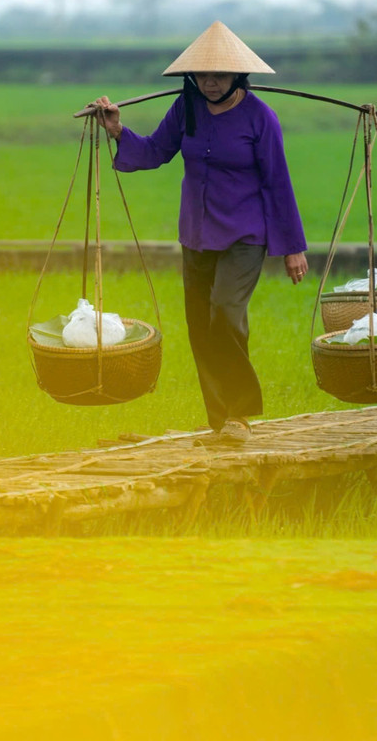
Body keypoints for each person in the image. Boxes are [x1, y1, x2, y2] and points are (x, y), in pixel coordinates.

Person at [89, 22, 308, 445]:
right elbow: (155, 151)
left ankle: (240, 413)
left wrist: (292, 248)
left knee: (225, 312)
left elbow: (278, 182)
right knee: (199, 325)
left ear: (237, 77)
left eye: (220, 75)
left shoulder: (261, 118)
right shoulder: (185, 108)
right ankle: (220, 421)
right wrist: (117, 130)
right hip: (197, 233)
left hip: (246, 233)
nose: (210, 83)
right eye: (203, 76)